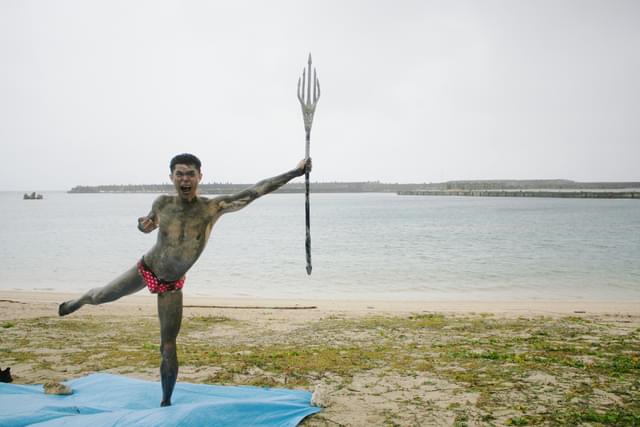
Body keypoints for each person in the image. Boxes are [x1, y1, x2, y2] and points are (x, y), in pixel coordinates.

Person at [59, 153, 311, 407]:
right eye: (179, 174)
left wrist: (295, 172)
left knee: (167, 346)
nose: (185, 179)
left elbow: (256, 190)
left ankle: (166, 401)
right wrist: (143, 226)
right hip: (146, 267)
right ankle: (78, 300)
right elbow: (148, 224)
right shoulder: (162, 203)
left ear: (200, 176)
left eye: (190, 173)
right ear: (172, 177)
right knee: (101, 296)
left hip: (171, 285)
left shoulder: (212, 208)